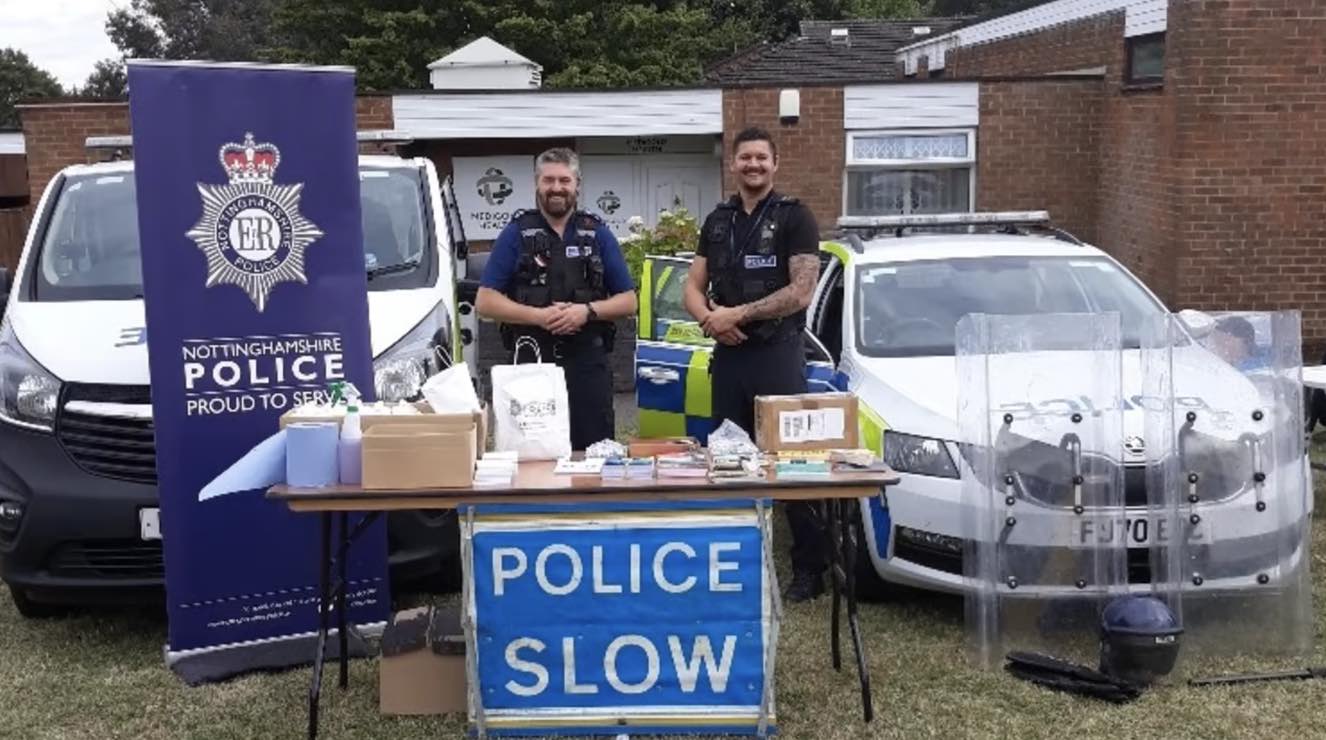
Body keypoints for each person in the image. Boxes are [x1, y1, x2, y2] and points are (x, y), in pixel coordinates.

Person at [682, 126, 824, 602]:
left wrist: (736, 313)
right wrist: (710, 320)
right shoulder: (718, 219)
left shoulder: (794, 217)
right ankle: (734, 564)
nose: (753, 165)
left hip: (778, 355)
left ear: (775, 163)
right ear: (734, 164)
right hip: (729, 355)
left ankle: (809, 569)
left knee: (789, 464)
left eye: (761, 158)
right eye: (745, 158)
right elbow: (692, 287)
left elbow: (801, 291)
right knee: (726, 460)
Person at [476, 148, 638, 450]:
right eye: (548, 180)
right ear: (537, 184)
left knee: (595, 456)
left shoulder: (597, 234)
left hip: (588, 365)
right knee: (534, 454)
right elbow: (485, 301)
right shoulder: (516, 234)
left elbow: (629, 301)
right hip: (532, 364)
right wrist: (539, 317)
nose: (556, 187)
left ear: (577, 184)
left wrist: (585, 312)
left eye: (565, 180)